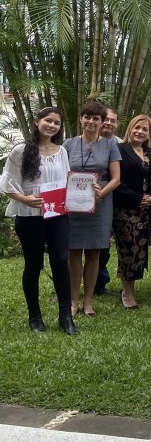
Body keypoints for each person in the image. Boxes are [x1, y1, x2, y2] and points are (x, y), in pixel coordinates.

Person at [0, 107, 77, 335]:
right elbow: (7, 183)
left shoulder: (62, 151)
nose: (52, 125)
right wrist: (25, 198)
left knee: (61, 261)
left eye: (56, 123)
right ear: (37, 122)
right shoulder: (21, 150)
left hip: (57, 216)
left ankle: (66, 317)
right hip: (30, 215)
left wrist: (85, 189)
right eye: (48, 120)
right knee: (33, 265)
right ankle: (35, 316)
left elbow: (67, 181)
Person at [63, 102, 122, 317]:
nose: (91, 121)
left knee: (95, 253)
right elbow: (62, 174)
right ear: (81, 119)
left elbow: (116, 178)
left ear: (101, 121)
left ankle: (88, 301)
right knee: (74, 253)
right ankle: (73, 300)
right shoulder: (68, 144)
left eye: (96, 118)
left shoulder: (109, 145)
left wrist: (101, 192)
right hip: (73, 205)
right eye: (87, 117)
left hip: (100, 203)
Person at [112, 115, 151, 309]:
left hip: (145, 211)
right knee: (128, 248)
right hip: (125, 208)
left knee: (140, 249)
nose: (140, 131)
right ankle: (127, 291)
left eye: (144, 129)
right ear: (130, 129)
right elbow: (116, 180)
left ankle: (131, 286)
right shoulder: (119, 150)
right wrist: (137, 198)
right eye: (136, 127)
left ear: (149, 133)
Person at [95, 106, 121, 295]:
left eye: (113, 120)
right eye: (106, 119)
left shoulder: (120, 144)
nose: (109, 123)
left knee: (103, 243)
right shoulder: (80, 142)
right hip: (80, 198)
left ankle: (99, 282)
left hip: (112, 199)